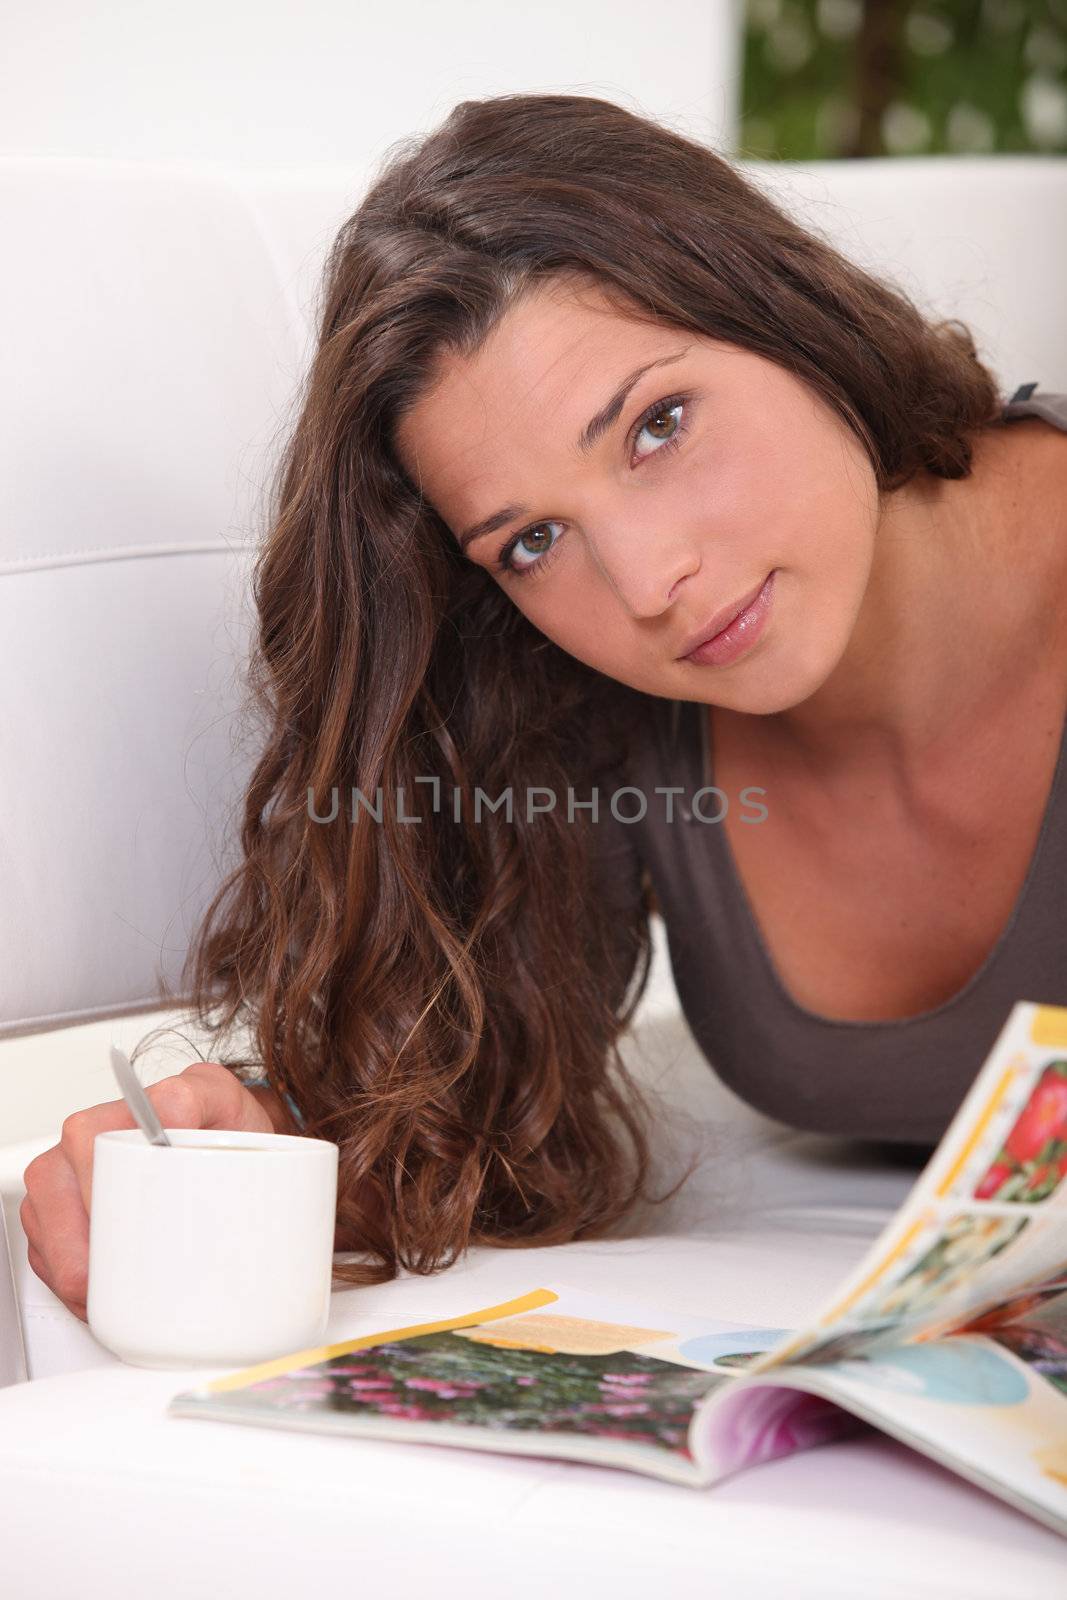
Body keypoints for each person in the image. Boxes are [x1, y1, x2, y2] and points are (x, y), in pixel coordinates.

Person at [22, 93, 1067, 1324]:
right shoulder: (592, 698)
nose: (643, 582)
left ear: (788, 313)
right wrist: (253, 1143)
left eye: (656, 426)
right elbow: (467, 1119)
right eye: (530, 542)